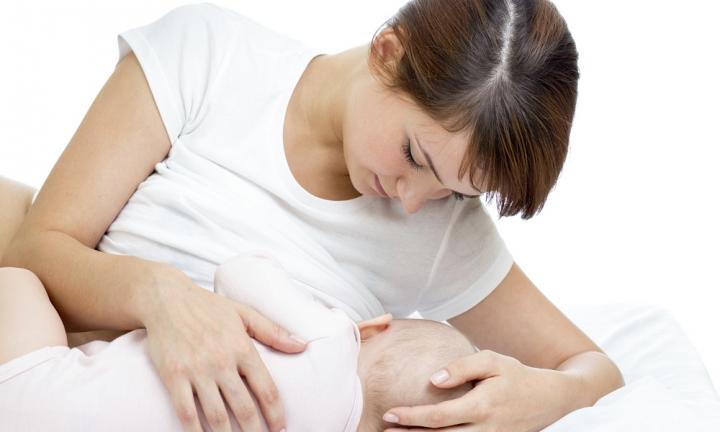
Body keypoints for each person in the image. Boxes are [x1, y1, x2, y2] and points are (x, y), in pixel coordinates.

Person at [1, 1, 625, 431]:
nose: (413, 203)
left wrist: (543, 396)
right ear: (388, 52)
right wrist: (158, 296)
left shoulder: (445, 237)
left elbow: (595, 368)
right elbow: (35, 249)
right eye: (415, 156)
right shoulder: (210, 57)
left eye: (455, 192)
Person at [0, 249, 474, 431]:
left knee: (19, 279)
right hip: (38, 405)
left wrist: (334, 317)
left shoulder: (332, 340)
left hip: (38, 385)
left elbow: (240, 272)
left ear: (374, 330)